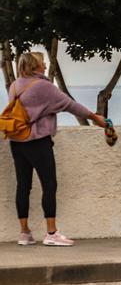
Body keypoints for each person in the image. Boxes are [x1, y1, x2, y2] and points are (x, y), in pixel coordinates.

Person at [8, 52, 108, 247]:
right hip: (37, 141)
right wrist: (95, 118)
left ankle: (24, 233)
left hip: (17, 141)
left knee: (23, 186)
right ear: (35, 66)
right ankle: (51, 233)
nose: (45, 66)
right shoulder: (43, 86)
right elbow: (71, 105)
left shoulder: (15, 86)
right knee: (49, 184)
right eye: (42, 63)